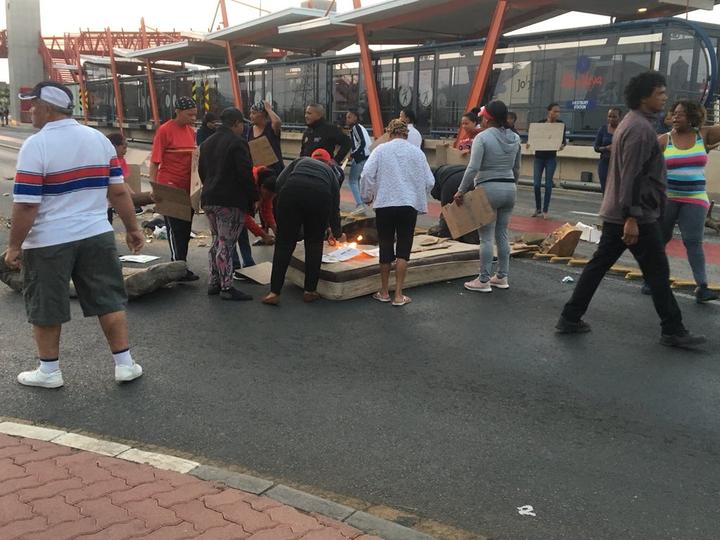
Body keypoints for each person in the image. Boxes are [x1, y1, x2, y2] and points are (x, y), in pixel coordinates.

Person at [5, 81, 144, 388]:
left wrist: (14, 246)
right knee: (109, 299)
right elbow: (119, 192)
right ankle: (124, 364)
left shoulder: (37, 145)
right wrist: (133, 228)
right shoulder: (98, 139)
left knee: (46, 305)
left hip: (49, 241)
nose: (30, 110)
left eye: (33, 104)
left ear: (47, 108)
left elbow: (26, 205)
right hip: (96, 234)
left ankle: (49, 371)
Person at [556, 71, 706, 348]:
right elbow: (633, 176)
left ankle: (570, 317)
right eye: (660, 93)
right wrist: (632, 217)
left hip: (623, 212)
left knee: (600, 265)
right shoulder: (639, 129)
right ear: (645, 96)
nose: (665, 98)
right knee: (657, 271)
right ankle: (673, 329)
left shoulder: (633, 123)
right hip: (635, 215)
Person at [360, 119, 435, 307]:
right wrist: (416, 192)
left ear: (389, 133)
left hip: (385, 204)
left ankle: (384, 291)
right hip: (408, 205)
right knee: (403, 248)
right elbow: (430, 181)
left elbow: (366, 174)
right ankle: (399, 294)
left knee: (385, 245)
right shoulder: (417, 153)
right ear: (406, 134)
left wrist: (367, 196)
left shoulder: (381, 150)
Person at [651, 100, 719, 303]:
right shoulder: (664, 140)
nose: (675, 117)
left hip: (695, 198)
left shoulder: (703, 135)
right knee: (661, 239)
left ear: (692, 117)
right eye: (674, 113)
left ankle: (702, 286)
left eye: (680, 114)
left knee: (693, 241)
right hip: (668, 197)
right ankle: (652, 280)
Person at [454, 100, 521, 293]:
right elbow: (517, 168)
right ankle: (502, 276)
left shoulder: (482, 138)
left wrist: (461, 190)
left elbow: (473, 168)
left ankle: (483, 279)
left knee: (486, 237)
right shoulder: (515, 138)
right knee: (502, 234)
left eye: (482, 116)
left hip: (488, 188)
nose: (481, 119)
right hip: (509, 187)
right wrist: (511, 185)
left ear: (488, 118)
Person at [261, 149, 342, 306]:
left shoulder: (300, 161)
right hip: (320, 196)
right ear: (328, 162)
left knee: (284, 244)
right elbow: (334, 205)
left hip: (291, 193)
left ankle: (274, 292)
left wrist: (281, 218)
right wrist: (336, 231)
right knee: (314, 244)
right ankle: (309, 291)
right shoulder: (330, 172)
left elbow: (279, 183)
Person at [198, 107, 256, 301]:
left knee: (216, 240)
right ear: (236, 123)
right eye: (242, 124)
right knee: (227, 243)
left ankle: (214, 282)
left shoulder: (206, 143)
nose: (243, 128)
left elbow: (202, 171)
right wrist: (253, 197)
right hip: (230, 200)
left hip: (209, 198)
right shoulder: (238, 142)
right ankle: (227, 286)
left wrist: (210, 188)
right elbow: (245, 173)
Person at [149, 96, 198, 280]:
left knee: (185, 228)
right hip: (169, 185)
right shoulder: (164, 131)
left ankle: (181, 265)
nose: (193, 118)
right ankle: (178, 266)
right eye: (189, 115)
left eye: (195, 115)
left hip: (187, 187)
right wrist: (155, 187)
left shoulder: (191, 132)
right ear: (178, 112)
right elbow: (155, 162)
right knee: (175, 229)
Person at [233, 166, 278, 279]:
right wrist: (264, 235)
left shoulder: (267, 184)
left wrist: (275, 229)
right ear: (261, 187)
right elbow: (244, 217)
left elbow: (266, 209)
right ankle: (234, 266)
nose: (270, 197)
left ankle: (248, 264)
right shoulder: (248, 183)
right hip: (228, 203)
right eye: (268, 195)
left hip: (239, 206)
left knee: (242, 233)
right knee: (231, 235)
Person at [530, 102, 566, 218]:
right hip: (539, 157)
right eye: (555, 111)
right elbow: (534, 138)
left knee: (548, 184)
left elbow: (563, 141)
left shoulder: (560, 125)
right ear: (549, 111)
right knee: (536, 184)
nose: (557, 114)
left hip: (551, 157)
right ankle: (538, 208)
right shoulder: (540, 123)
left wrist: (562, 145)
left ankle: (545, 210)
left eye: (558, 112)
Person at [246, 100, 284, 177]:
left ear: (262, 114)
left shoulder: (271, 128)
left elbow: (277, 122)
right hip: (258, 173)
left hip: (274, 172)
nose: (250, 116)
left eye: (254, 113)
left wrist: (268, 109)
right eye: (250, 113)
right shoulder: (250, 130)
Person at [346, 109, 371, 215]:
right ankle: (362, 204)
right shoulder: (361, 127)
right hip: (366, 156)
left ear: (355, 118)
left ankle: (360, 205)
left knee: (352, 180)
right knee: (358, 180)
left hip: (360, 157)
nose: (347, 120)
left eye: (349, 117)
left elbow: (361, 143)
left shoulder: (355, 128)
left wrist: (352, 155)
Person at [593, 108, 622, 193]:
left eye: (614, 117)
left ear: (620, 117)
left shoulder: (623, 130)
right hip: (605, 163)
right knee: (605, 189)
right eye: (609, 116)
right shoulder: (603, 129)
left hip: (619, 164)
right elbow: (596, 147)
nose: (611, 119)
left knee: (618, 190)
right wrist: (606, 148)